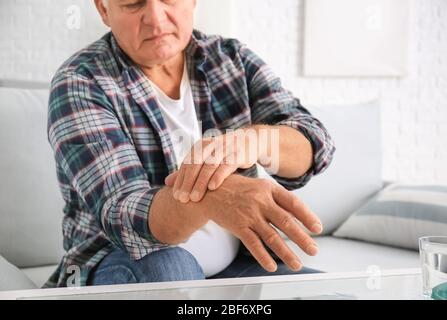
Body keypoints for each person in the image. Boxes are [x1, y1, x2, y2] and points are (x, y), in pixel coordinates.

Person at [45, 0, 335, 288]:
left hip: (233, 265)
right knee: (170, 267)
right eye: (133, 4)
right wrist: (210, 197)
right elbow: (123, 215)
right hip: (122, 261)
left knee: (324, 293)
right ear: (104, 10)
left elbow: (315, 143)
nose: (156, 19)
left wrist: (258, 140)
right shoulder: (80, 83)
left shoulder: (231, 58)